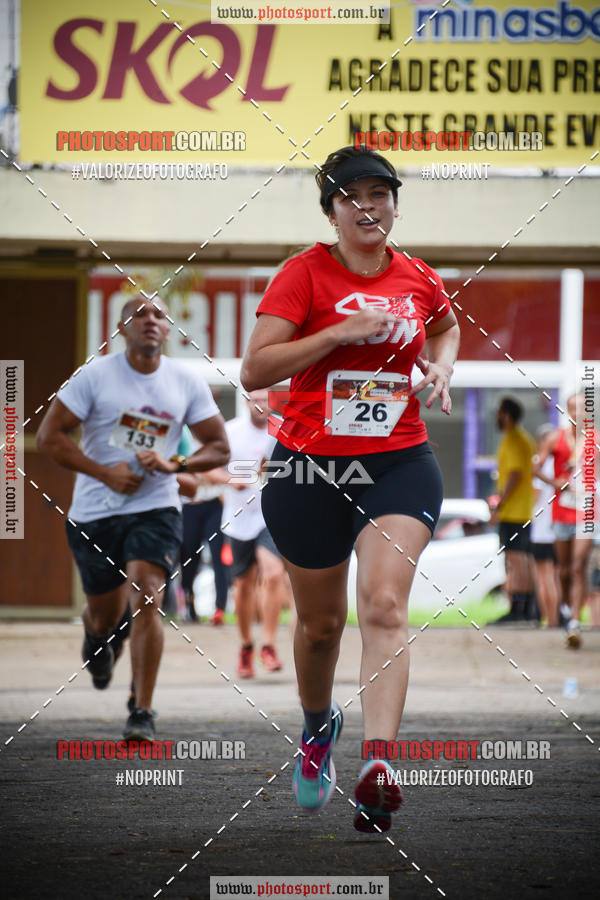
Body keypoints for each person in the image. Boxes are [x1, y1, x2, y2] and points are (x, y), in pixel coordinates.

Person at [240, 146, 460, 832]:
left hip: (399, 461)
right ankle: (315, 730)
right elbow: (255, 370)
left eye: (380, 193)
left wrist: (441, 371)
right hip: (310, 469)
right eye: (351, 197)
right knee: (320, 627)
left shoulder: (418, 277)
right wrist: (340, 332)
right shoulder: (302, 274)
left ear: (395, 203)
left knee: (387, 604)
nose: (368, 207)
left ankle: (378, 767)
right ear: (332, 211)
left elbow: (446, 325)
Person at [36, 297, 229, 741]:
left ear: (168, 330)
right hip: (94, 512)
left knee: (148, 595)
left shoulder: (185, 381)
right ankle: (97, 636)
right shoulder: (95, 376)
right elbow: (49, 437)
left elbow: (218, 448)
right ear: (121, 327)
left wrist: (175, 466)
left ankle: (141, 709)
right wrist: (105, 472)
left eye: (159, 314)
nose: (150, 320)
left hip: (156, 506)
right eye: (139, 313)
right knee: (105, 617)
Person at [206, 389, 290, 678]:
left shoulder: (281, 430)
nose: (260, 406)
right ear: (246, 402)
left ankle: (268, 644)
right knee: (242, 586)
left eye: (266, 400)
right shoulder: (230, 432)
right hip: (239, 518)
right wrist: (231, 479)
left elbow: (298, 469)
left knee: (275, 573)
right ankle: (246, 646)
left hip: (271, 517)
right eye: (255, 400)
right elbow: (208, 469)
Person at [533, 392, 595, 648]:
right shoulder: (556, 439)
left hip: (587, 511)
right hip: (561, 511)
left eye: (583, 409)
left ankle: (574, 623)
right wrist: (554, 482)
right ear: (567, 412)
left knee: (579, 566)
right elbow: (535, 468)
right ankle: (568, 607)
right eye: (573, 409)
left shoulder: (595, 440)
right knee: (565, 569)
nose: (578, 413)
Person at [489, 397, 537, 624]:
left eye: (499, 412)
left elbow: (516, 474)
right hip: (518, 511)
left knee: (517, 561)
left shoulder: (516, 439)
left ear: (506, 414)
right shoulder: (516, 438)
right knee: (518, 560)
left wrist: (500, 503)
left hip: (515, 512)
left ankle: (520, 610)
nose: (496, 416)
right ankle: (523, 609)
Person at [176, 425, 230, 625]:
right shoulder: (183, 438)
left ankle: (219, 609)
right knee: (189, 558)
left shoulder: (216, 438)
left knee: (219, 557)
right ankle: (189, 607)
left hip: (213, 505)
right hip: (190, 507)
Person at [530, 424, 561, 626]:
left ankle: (549, 620)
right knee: (556, 576)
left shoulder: (539, 464)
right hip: (558, 527)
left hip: (541, 529)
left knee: (543, 577)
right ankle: (558, 618)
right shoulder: (561, 463)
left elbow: (535, 496)